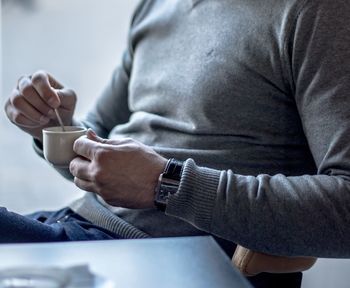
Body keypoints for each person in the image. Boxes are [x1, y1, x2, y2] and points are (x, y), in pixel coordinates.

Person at [3, 0, 350, 287]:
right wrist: (52, 125)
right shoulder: (157, 6)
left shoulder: (316, 12)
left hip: (171, 260)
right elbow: (102, 150)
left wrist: (165, 183)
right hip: (81, 232)